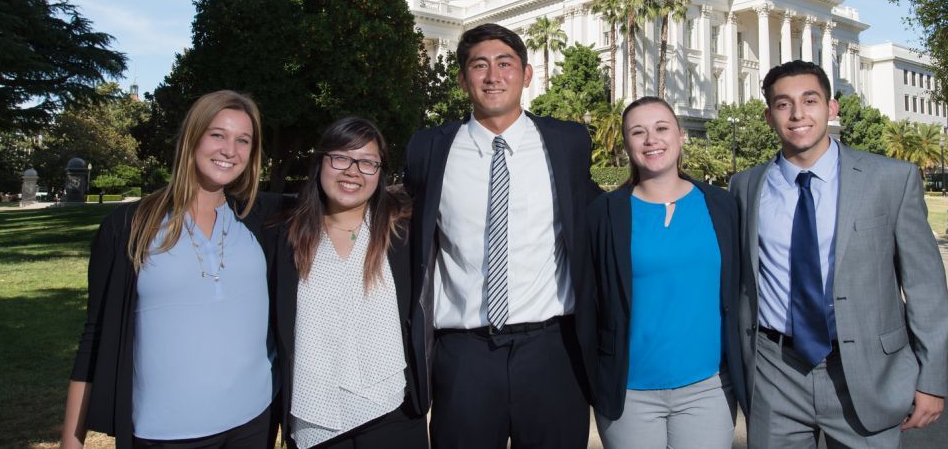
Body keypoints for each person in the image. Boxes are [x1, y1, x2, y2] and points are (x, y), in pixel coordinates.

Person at [728, 61, 948, 447]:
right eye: (783, 104)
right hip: (775, 371)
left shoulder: (890, 179)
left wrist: (931, 377)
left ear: (831, 108)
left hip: (867, 372)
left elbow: (925, 286)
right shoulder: (745, 187)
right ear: (768, 116)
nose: (798, 114)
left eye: (810, 100)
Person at [403, 23, 602, 449]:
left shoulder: (567, 142)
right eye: (479, 65)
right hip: (464, 356)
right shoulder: (429, 149)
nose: (493, 76)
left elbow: (604, 216)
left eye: (505, 64)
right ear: (462, 78)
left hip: (552, 352)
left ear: (526, 75)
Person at [62, 90, 286, 448]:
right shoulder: (128, 227)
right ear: (192, 137)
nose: (230, 150)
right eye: (217, 135)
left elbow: (338, 196)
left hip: (254, 421)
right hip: (163, 430)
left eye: (243, 140)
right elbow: (95, 337)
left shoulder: (259, 220)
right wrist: (72, 442)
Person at [587, 97, 746, 449]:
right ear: (627, 143)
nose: (651, 140)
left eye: (661, 128)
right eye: (638, 132)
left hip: (708, 388)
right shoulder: (603, 214)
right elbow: (590, 300)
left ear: (680, 135)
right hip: (629, 391)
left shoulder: (721, 205)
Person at [270, 117, 428, 448]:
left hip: (392, 410)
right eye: (341, 157)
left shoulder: (401, 235)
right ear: (321, 162)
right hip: (316, 417)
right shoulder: (284, 238)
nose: (353, 171)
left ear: (380, 172)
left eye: (367, 162)